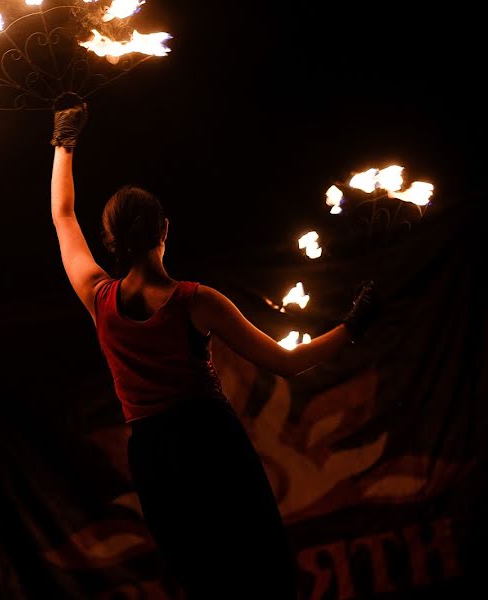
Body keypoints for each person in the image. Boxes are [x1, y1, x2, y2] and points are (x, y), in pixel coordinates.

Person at [47, 103, 377, 598]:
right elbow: (287, 363)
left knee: (202, 576)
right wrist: (353, 325)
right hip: (208, 441)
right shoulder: (195, 301)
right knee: (259, 566)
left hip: (152, 454)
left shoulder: (97, 297)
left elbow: (62, 213)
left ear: (112, 239)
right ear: (164, 229)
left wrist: (63, 141)